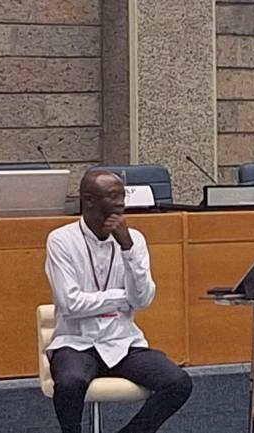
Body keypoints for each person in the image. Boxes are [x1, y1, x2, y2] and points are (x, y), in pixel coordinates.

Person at [44, 170, 192, 433]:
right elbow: (71, 304)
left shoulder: (134, 239)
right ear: (89, 200)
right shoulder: (61, 240)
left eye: (122, 195)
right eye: (113, 196)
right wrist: (122, 298)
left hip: (123, 342)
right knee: (69, 383)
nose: (122, 203)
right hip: (77, 342)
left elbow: (143, 299)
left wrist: (127, 250)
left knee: (178, 382)